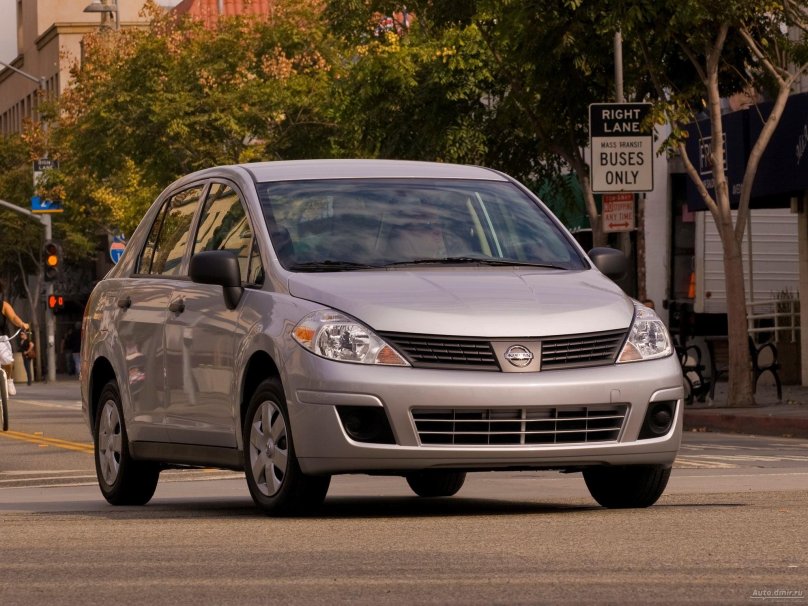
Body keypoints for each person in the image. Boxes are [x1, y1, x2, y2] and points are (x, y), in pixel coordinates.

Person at [0, 279, 30, 396]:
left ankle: (9, 380)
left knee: (7, 361)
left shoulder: (4, 305)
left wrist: (22, 324)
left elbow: (13, 317)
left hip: (1, 339)